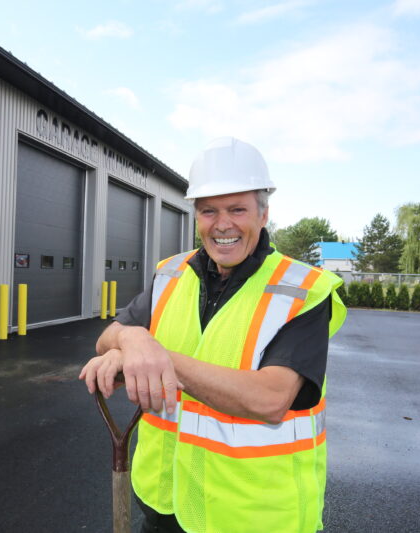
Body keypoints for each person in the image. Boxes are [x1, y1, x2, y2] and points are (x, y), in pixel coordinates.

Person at [80, 137, 347, 533]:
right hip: (164, 502)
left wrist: (160, 358)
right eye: (209, 211)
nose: (223, 224)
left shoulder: (302, 289)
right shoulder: (172, 273)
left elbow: (271, 399)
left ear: (263, 213)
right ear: (196, 216)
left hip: (252, 517)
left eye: (237, 209)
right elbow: (109, 338)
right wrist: (135, 342)